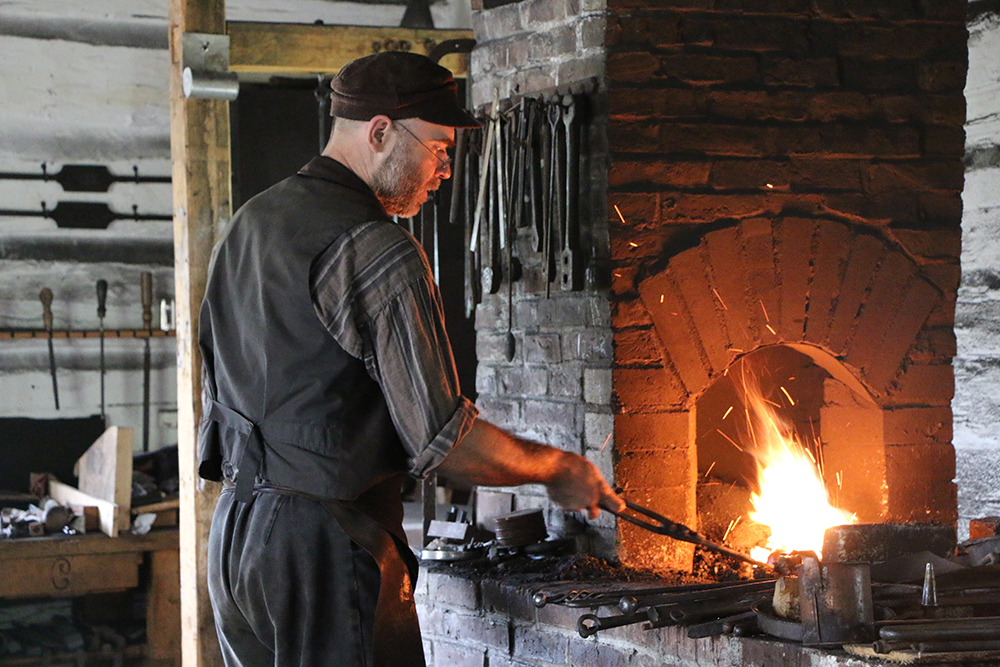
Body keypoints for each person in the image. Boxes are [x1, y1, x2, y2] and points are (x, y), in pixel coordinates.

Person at [197, 51, 623, 667]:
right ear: (380, 132)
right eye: (438, 148)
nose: (446, 169)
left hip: (235, 537)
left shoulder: (248, 224)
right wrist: (557, 467)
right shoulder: (377, 249)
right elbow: (443, 442)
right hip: (322, 546)